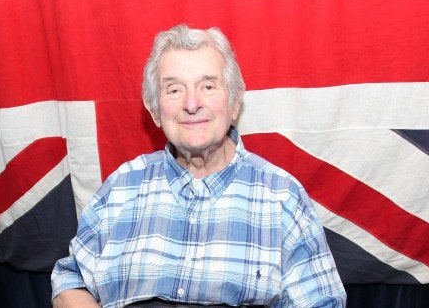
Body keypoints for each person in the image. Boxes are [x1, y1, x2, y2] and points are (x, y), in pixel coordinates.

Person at [51, 24, 347, 307]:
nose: (192, 104)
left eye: (208, 86)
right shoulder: (121, 187)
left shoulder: (283, 197)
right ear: (155, 111)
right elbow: (69, 278)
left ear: (234, 103)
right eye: (174, 89)